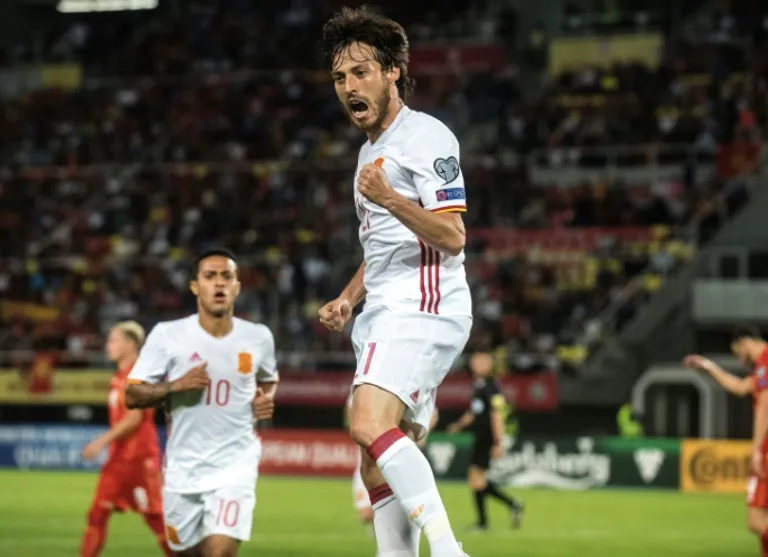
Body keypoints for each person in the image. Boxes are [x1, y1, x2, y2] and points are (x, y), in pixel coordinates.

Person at [318, 7, 473, 557]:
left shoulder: (426, 137)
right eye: (340, 77)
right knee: (375, 459)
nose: (349, 86)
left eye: (361, 72)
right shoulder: (369, 151)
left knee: (367, 422)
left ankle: (448, 549)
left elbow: (452, 236)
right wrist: (347, 298)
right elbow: (384, 249)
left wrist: (389, 198)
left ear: (393, 72)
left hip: (422, 303)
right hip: (385, 306)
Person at [124, 248, 279, 557]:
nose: (219, 283)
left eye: (227, 276)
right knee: (186, 552)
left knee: (220, 551)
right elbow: (132, 395)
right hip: (183, 469)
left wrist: (265, 397)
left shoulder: (258, 337)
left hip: (236, 464)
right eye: (210, 276)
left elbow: (268, 378)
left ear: (237, 286)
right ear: (195, 286)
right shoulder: (167, 335)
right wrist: (175, 386)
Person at [80, 321, 172, 557]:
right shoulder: (119, 377)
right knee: (97, 514)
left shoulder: (138, 375)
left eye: (114, 340)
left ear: (130, 344)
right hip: (119, 459)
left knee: (156, 518)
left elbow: (134, 419)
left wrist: (99, 442)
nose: (108, 345)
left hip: (139, 458)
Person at [683, 325, 768, 556]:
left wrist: (757, 449)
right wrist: (708, 366)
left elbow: (765, 406)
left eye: (737, 352)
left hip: (767, 449)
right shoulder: (762, 368)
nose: (739, 359)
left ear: (744, 343)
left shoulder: (766, 362)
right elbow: (740, 387)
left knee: (756, 521)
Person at [346, 394, 440, 555]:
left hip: (396, 459)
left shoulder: (404, 389)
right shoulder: (360, 390)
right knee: (366, 515)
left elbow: (433, 412)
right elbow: (352, 417)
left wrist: (422, 432)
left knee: (403, 510)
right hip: (369, 462)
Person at [446, 351, 524, 531]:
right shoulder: (480, 385)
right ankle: (510, 507)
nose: (475, 364)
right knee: (477, 479)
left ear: (489, 365)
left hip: (488, 438)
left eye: (480, 362)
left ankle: (486, 521)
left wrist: (498, 442)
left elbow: (497, 415)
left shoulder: (492, 387)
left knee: (476, 479)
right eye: (474, 361)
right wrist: (458, 425)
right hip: (480, 437)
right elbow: (474, 412)